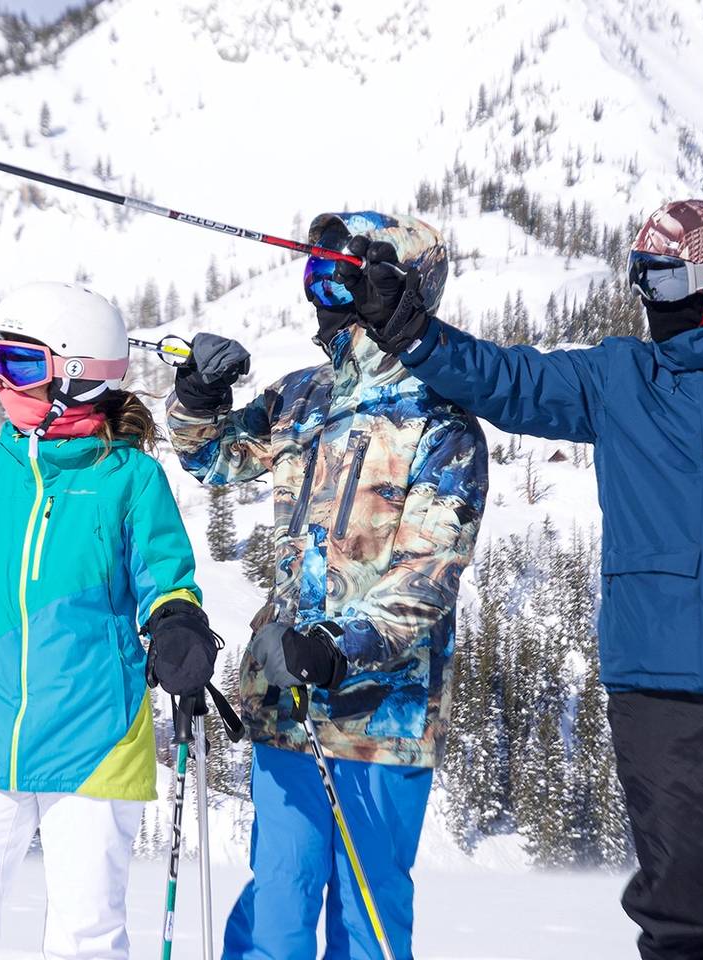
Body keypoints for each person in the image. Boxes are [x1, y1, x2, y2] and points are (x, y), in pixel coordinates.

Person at [338, 198, 703, 959]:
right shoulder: (623, 378)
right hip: (657, 693)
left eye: (657, 285)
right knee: (681, 912)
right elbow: (508, 381)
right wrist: (414, 334)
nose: (645, 304)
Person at [166, 213, 489, 960]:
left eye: (343, 278)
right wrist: (200, 395)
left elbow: (430, 572)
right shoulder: (301, 398)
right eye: (316, 276)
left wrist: (341, 644)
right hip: (289, 704)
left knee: (366, 925)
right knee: (275, 913)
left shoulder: (441, 421)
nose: (324, 295)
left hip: (385, 719)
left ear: (400, 291)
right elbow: (213, 457)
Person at [0, 282, 215, 960]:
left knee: (85, 941)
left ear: (77, 376)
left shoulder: (129, 479)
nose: (2, 381)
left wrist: (177, 623)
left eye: (22, 364)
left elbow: (165, 578)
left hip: (94, 736)